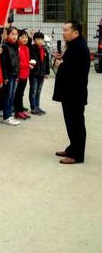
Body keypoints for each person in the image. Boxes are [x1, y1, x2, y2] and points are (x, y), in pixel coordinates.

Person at [53, 20, 91, 164]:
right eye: (63, 30)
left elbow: (76, 71)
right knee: (70, 122)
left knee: (76, 123)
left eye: (66, 30)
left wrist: (60, 64)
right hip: (69, 92)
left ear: (75, 32)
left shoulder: (79, 47)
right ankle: (72, 148)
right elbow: (71, 64)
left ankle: (77, 155)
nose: (63, 33)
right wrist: (62, 59)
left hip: (75, 92)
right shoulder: (73, 46)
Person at [0, 27, 21, 126]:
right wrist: (5, 77)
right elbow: (3, 64)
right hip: (8, 75)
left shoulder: (15, 46)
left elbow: (17, 61)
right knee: (7, 96)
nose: (14, 36)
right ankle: (6, 117)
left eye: (16, 34)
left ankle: (9, 115)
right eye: (12, 34)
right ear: (7, 35)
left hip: (14, 74)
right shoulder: (4, 46)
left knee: (12, 96)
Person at [29, 32, 50, 115]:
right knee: (33, 91)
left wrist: (47, 72)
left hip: (42, 73)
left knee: (38, 91)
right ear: (34, 40)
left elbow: (46, 62)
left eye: (41, 39)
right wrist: (30, 37)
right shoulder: (32, 48)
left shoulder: (44, 49)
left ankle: (37, 106)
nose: (40, 41)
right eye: (38, 39)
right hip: (34, 73)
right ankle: (33, 107)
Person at [14, 30, 31, 120]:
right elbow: (17, 62)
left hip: (25, 74)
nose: (25, 39)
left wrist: (29, 65)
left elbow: (26, 60)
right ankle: (17, 111)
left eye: (26, 37)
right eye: (22, 37)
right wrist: (27, 65)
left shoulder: (26, 48)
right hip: (19, 74)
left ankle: (21, 110)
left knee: (21, 93)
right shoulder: (17, 48)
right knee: (18, 94)